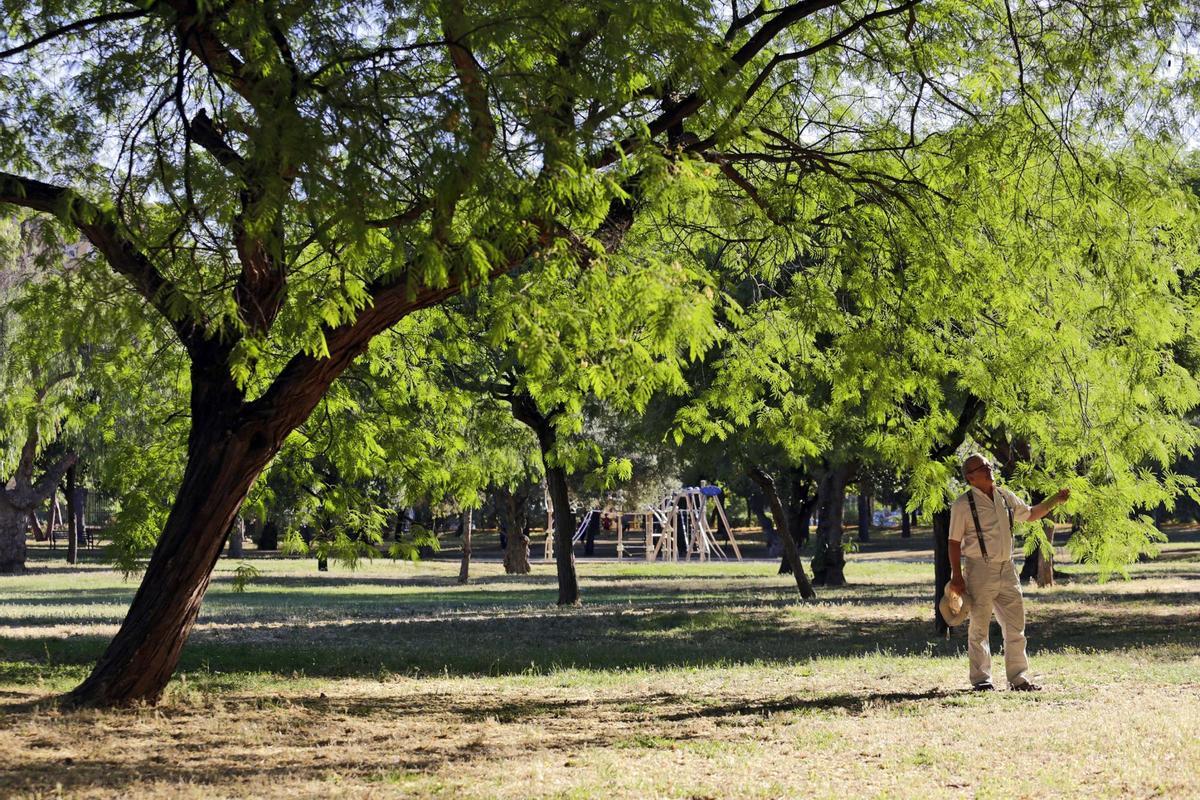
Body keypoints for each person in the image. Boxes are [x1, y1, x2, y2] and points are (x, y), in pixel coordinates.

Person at [948, 453, 1069, 692]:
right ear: (971, 477)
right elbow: (953, 542)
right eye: (983, 467)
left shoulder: (1005, 496)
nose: (989, 467)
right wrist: (956, 576)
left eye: (988, 464)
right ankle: (981, 680)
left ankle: (1018, 678)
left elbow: (1031, 513)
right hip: (979, 570)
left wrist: (1055, 499)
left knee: (1015, 625)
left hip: (1007, 568)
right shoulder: (963, 505)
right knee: (979, 626)